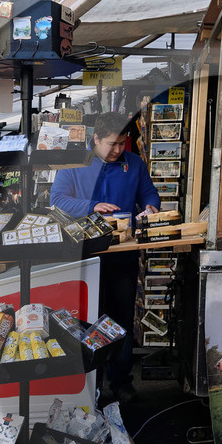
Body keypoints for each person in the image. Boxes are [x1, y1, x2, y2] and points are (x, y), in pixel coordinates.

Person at [48, 111, 160, 404]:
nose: (117, 150)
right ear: (95, 139)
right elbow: (57, 199)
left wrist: (150, 208)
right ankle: (89, 383)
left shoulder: (134, 163)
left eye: (122, 144)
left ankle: (121, 381)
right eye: (112, 144)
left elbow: (150, 194)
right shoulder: (74, 163)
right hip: (84, 255)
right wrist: (92, 205)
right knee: (86, 319)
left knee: (120, 318)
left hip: (123, 253)